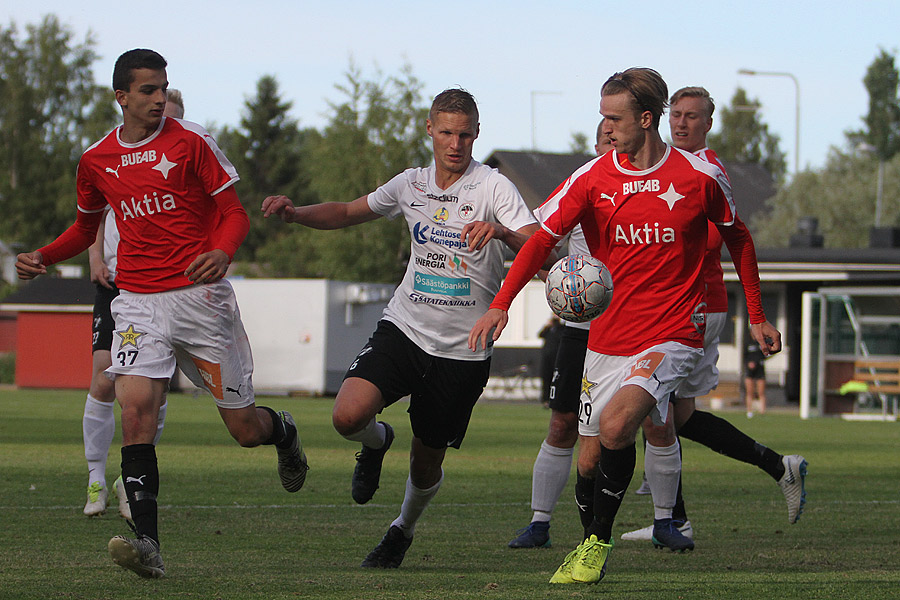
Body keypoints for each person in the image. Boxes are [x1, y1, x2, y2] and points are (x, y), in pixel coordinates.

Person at [469, 67, 781, 585]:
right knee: (588, 460)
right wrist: (502, 303)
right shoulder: (591, 178)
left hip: (674, 333)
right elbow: (543, 241)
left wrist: (759, 314)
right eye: (602, 117)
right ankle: (589, 537)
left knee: (619, 427)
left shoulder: (698, 178)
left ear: (646, 118)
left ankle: (597, 546)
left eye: (614, 118)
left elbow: (739, 239)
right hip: (607, 339)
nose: (605, 127)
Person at [16, 50, 308, 579]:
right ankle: (148, 543)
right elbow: (86, 229)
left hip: (202, 301)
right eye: (147, 90)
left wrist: (223, 252)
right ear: (121, 97)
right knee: (134, 414)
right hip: (137, 303)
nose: (157, 100)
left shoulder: (191, 141)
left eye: (163, 88)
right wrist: (45, 256)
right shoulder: (96, 160)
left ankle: (283, 432)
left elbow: (234, 213)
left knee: (244, 429)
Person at [262, 88, 545, 569]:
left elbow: (540, 245)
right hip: (405, 328)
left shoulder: (494, 188)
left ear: (476, 134)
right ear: (430, 131)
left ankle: (401, 530)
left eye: (465, 134)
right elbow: (351, 211)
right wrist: (297, 214)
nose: (455, 143)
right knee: (346, 417)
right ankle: (377, 441)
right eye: (446, 133)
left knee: (426, 462)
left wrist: (499, 231)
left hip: (463, 350)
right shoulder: (411, 184)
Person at [620, 87, 806, 544]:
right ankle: (772, 466)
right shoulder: (667, 168)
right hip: (677, 308)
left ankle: (675, 517)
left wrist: (758, 315)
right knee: (673, 414)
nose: (681, 123)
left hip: (696, 308)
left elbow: (727, 240)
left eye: (691, 117)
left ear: (708, 123)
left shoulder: (704, 171)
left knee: (652, 405)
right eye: (676, 115)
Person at [507, 121, 613, 549]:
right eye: (605, 134)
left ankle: (667, 519)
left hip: (636, 328)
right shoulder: (583, 183)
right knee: (563, 421)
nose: (613, 140)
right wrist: (501, 232)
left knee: (635, 428)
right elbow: (543, 244)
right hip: (581, 328)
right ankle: (539, 522)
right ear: (596, 142)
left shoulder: (653, 187)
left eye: (618, 129)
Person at [82, 89, 186, 520]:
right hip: (117, 284)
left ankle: (132, 482)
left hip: (167, 290)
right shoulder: (113, 156)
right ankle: (94, 479)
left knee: (150, 394)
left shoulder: (186, 158)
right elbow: (93, 212)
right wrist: (93, 256)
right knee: (104, 380)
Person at [538, 316, 564, 408]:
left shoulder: (561, 329)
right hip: (547, 358)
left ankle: (556, 399)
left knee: (556, 380)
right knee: (546, 378)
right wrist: (547, 326)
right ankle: (545, 400)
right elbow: (540, 335)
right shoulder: (548, 330)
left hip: (556, 358)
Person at [744, 335, 768, 417]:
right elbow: (745, 356)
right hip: (750, 371)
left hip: (760, 370)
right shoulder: (748, 344)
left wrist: (757, 363)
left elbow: (765, 355)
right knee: (750, 391)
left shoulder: (762, 343)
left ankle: (762, 411)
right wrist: (749, 364)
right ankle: (749, 411)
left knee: (761, 392)